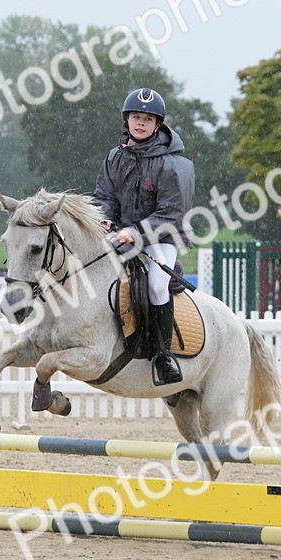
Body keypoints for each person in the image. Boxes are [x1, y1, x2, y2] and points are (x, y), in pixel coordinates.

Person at [93, 87, 195, 386]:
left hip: (162, 237)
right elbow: (104, 195)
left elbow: (171, 212)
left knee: (155, 285)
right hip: (122, 233)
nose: (140, 123)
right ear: (127, 120)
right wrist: (103, 216)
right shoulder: (115, 156)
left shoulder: (175, 164)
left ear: (157, 124)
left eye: (147, 119)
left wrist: (135, 231)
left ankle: (163, 356)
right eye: (136, 117)